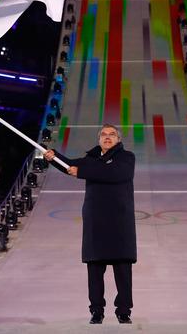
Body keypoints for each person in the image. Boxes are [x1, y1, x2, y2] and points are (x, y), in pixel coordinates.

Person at [43, 124, 136, 324]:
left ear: (118, 140)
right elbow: (69, 166)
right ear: (99, 139)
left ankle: (124, 310)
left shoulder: (127, 158)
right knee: (94, 269)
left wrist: (82, 171)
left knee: (123, 269)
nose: (108, 137)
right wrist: (53, 157)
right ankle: (96, 310)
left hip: (120, 222)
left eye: (112, 134)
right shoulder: (91, 160)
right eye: (104, 134)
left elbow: (116, 174)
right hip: (95, 221)